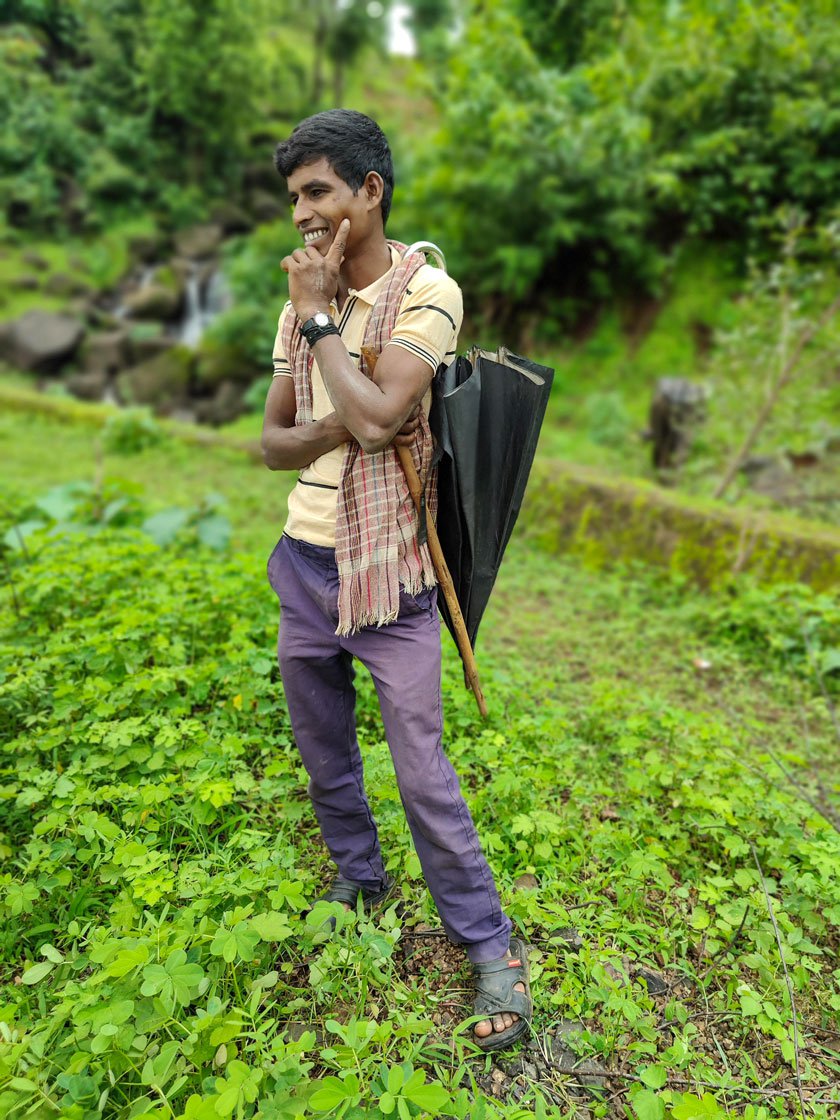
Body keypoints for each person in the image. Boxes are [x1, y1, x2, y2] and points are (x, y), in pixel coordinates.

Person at [261, 109, 531, 1050]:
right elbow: (273, 441)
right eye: (294, 198)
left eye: (318, 193)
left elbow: (382, 425)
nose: (302, 215)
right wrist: (345, 386)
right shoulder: (298, 302)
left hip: (394, 575)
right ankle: (359, 877)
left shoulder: (430, 292)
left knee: (421, 767)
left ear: (369, 192)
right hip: (304, 555)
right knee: (320, 740)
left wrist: (327, 325)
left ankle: (490, 946)